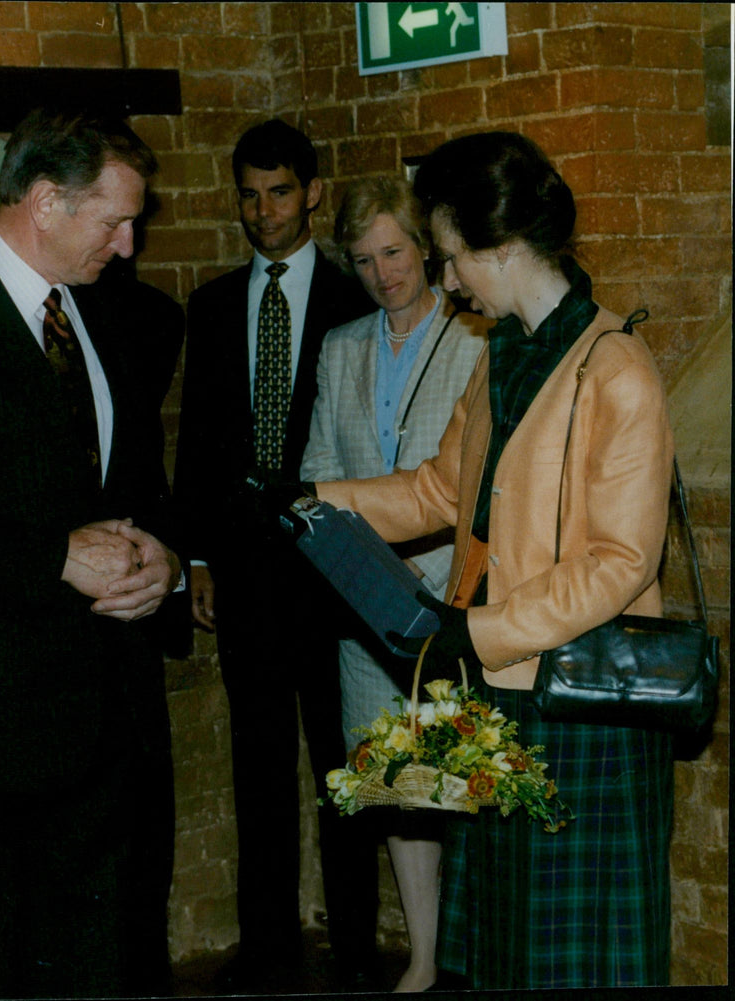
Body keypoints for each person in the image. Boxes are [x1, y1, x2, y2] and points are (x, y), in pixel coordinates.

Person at [305, 131, 675, 989]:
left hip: (582, 706)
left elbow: (622, 561)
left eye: (449, 256)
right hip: (502, 695)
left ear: (502, 246)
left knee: (578, 965)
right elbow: (439, 492)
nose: (445, 280)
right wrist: (315, 497)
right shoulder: (500, 356)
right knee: (508, 957)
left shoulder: (617, 366)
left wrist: (480, 630)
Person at [0, 106, 186, 999]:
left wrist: (168, 559)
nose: (128, 246)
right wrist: (50, 555)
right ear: (44, 201)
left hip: (114, 726)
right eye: (114, 221)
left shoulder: (111, 316)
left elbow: (142, 491)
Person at [173, 119, 377, 992]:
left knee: (345, 768)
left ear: (314, 192)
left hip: (332, 577)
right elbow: (198, 448)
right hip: (246, 579)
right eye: (249, 196)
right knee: (258, 768)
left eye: (280, 193)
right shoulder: (215, 304)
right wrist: (197, 561)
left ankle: (361, 949)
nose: (263, 213)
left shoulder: (354, 300)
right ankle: (266, 952)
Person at [300, 175, 487, 993]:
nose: (384, 274)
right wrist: (365, 568)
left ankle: (471, 952)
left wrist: (423, 565)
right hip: (362, 608)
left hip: (452, 601)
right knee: (397, 786)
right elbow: (318, 473)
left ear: (425, 249)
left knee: (464, 779)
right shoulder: (341, 346)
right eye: (366, 258)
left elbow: (478, 486)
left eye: (396, 252)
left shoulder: (476, 340)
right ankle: (420, 956)